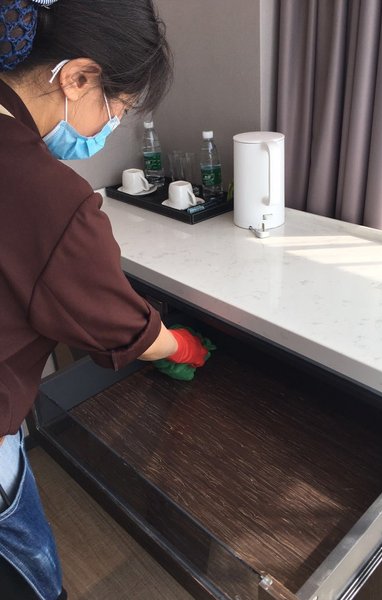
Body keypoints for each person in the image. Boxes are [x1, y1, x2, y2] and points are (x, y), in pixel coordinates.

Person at [0, 1, 210, 598]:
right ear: (77, 77)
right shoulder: (48, 196)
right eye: (116, 109)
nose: (108, 126)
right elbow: (121, 325)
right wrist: (184, 347)